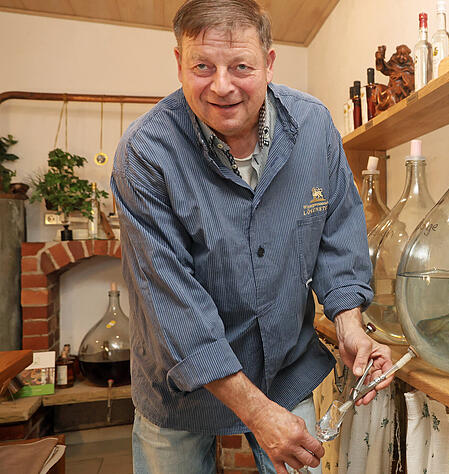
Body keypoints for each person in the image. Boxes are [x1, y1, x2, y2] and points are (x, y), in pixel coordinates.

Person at [110, 1, 393, 473]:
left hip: (285, 368)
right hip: (179, 390)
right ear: (178, 63)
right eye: (202, 66)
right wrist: (258, 413)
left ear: (269, 63)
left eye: (241, 66)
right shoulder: (144, 154)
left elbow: (337, 230)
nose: (222, 86)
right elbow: (174, 307)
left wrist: (349, 323)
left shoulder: (313, 126)